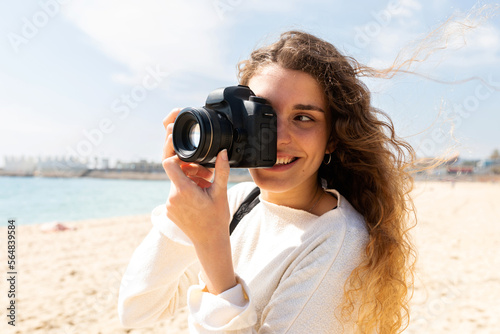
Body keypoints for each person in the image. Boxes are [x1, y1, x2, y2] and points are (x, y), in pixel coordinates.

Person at [118, 31, 416, 333]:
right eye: (262, 115)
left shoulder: (339, 243)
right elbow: (137, 312)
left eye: (303, 118)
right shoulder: (241, 201)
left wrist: (212, 246)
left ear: (332, 139)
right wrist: (181, 213)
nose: (278, 137)